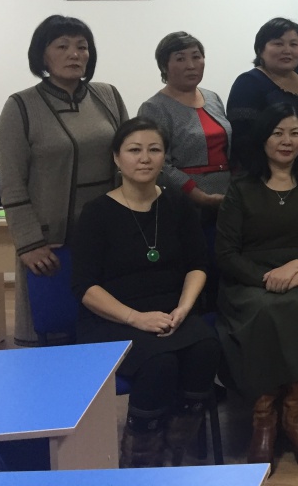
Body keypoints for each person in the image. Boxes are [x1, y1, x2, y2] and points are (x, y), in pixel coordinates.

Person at [72, 118, 220, 467]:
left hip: (171, 311)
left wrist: (184, 307)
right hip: (112, 318)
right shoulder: (96, 213)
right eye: (134, 150)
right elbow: (84, 287)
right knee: (160, 363)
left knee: (206, 347)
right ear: (116, 157)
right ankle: (141, 458)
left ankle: (174, 451)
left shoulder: (178, 205)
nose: (145, 158)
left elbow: (198, 264)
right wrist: (135, 318)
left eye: (154, 150)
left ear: (164, 157)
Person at [215, 104, 298, 471]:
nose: (287, 141)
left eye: (295, 133)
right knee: (266, 308)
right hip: (249, 280)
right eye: (278, 133)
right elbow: (225, 253)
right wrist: (267, 278)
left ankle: (294, 416)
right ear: (263, 139)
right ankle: (264, 418)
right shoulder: (241, 187)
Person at [0, 14, 129, 346]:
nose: (75, 54)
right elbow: (11, 181)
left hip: (107, 233)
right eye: (62, 46)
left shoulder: (108, 96)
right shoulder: (20, 106)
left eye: (82, 47)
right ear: (42, 55)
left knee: (107, 329)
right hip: (50, 242)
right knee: (54, 330)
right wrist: (28, 243)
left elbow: (129, 155)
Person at [138, 32, 231, 215]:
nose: (191, 65)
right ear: (164, 66)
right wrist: (198, 195)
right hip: (182, 202)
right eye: (180, 59)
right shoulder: (153, 108)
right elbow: (159, 164)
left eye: (196, 57)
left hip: (226, 198)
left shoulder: (213, 98)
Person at [226, 17, 298, 170]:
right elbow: (242, 140)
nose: (287, 50)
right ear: (260, 49)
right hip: (264, 173)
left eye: (294, 44)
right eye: (278, 44)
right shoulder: (248, 82)